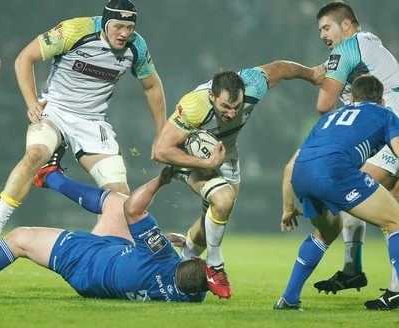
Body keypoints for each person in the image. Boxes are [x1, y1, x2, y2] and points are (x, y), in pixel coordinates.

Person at [153, 61, 325, 298]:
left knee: (213, 219)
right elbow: (160, 151)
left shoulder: (253, 84)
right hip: (188, 158)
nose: (232, 113)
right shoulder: (194, 105)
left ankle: (185, 256)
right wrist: (206, 164)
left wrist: (312, 74)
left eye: (236, 106)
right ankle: (215, 266)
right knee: (223, 200)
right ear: (212, 95)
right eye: (225, 106)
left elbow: (281, 68)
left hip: (228, 155)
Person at [0, 0, 166, 236]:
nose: (124, 33)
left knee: (119, 196)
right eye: (118, 26)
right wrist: (31, 102)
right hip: (54, 110)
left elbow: (152, 86)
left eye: (129, 28)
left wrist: (162, 132)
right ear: (106, 22)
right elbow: (24, 59)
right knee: (35, 154)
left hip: (92, 122)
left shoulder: (136, 46)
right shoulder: (74, 30)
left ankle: (97, 250)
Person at [0, 157, 208, 302]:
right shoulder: (192, 295)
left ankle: (51, 177)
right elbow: (191, 278)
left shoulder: (161, 256)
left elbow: (133, 210)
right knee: (116, 201)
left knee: (19, 238)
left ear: (193, 260)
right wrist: (186, 249)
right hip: (113, 259)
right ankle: (50, 175)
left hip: (85, 262)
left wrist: (163, 179)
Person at [273, 74, 399, 311]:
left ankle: (289, 299)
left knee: (327, 230)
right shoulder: (385, 114)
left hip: (302, 175)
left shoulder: (328, 119)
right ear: (382, 101)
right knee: (396, 220)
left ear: (350, 99)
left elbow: (289, 168)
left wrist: (288, 209)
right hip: (334, 171)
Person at [313, 1, 399, 309]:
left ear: (346, 25)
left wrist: (319, 78)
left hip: (393, 134)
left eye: (327, 27)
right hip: (389, 133)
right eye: (320, 29)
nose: (322, 34)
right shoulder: (368, 46)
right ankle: (357, 272)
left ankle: (365, 274)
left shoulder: (347, 50)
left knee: (353, 191)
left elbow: (324, 104)